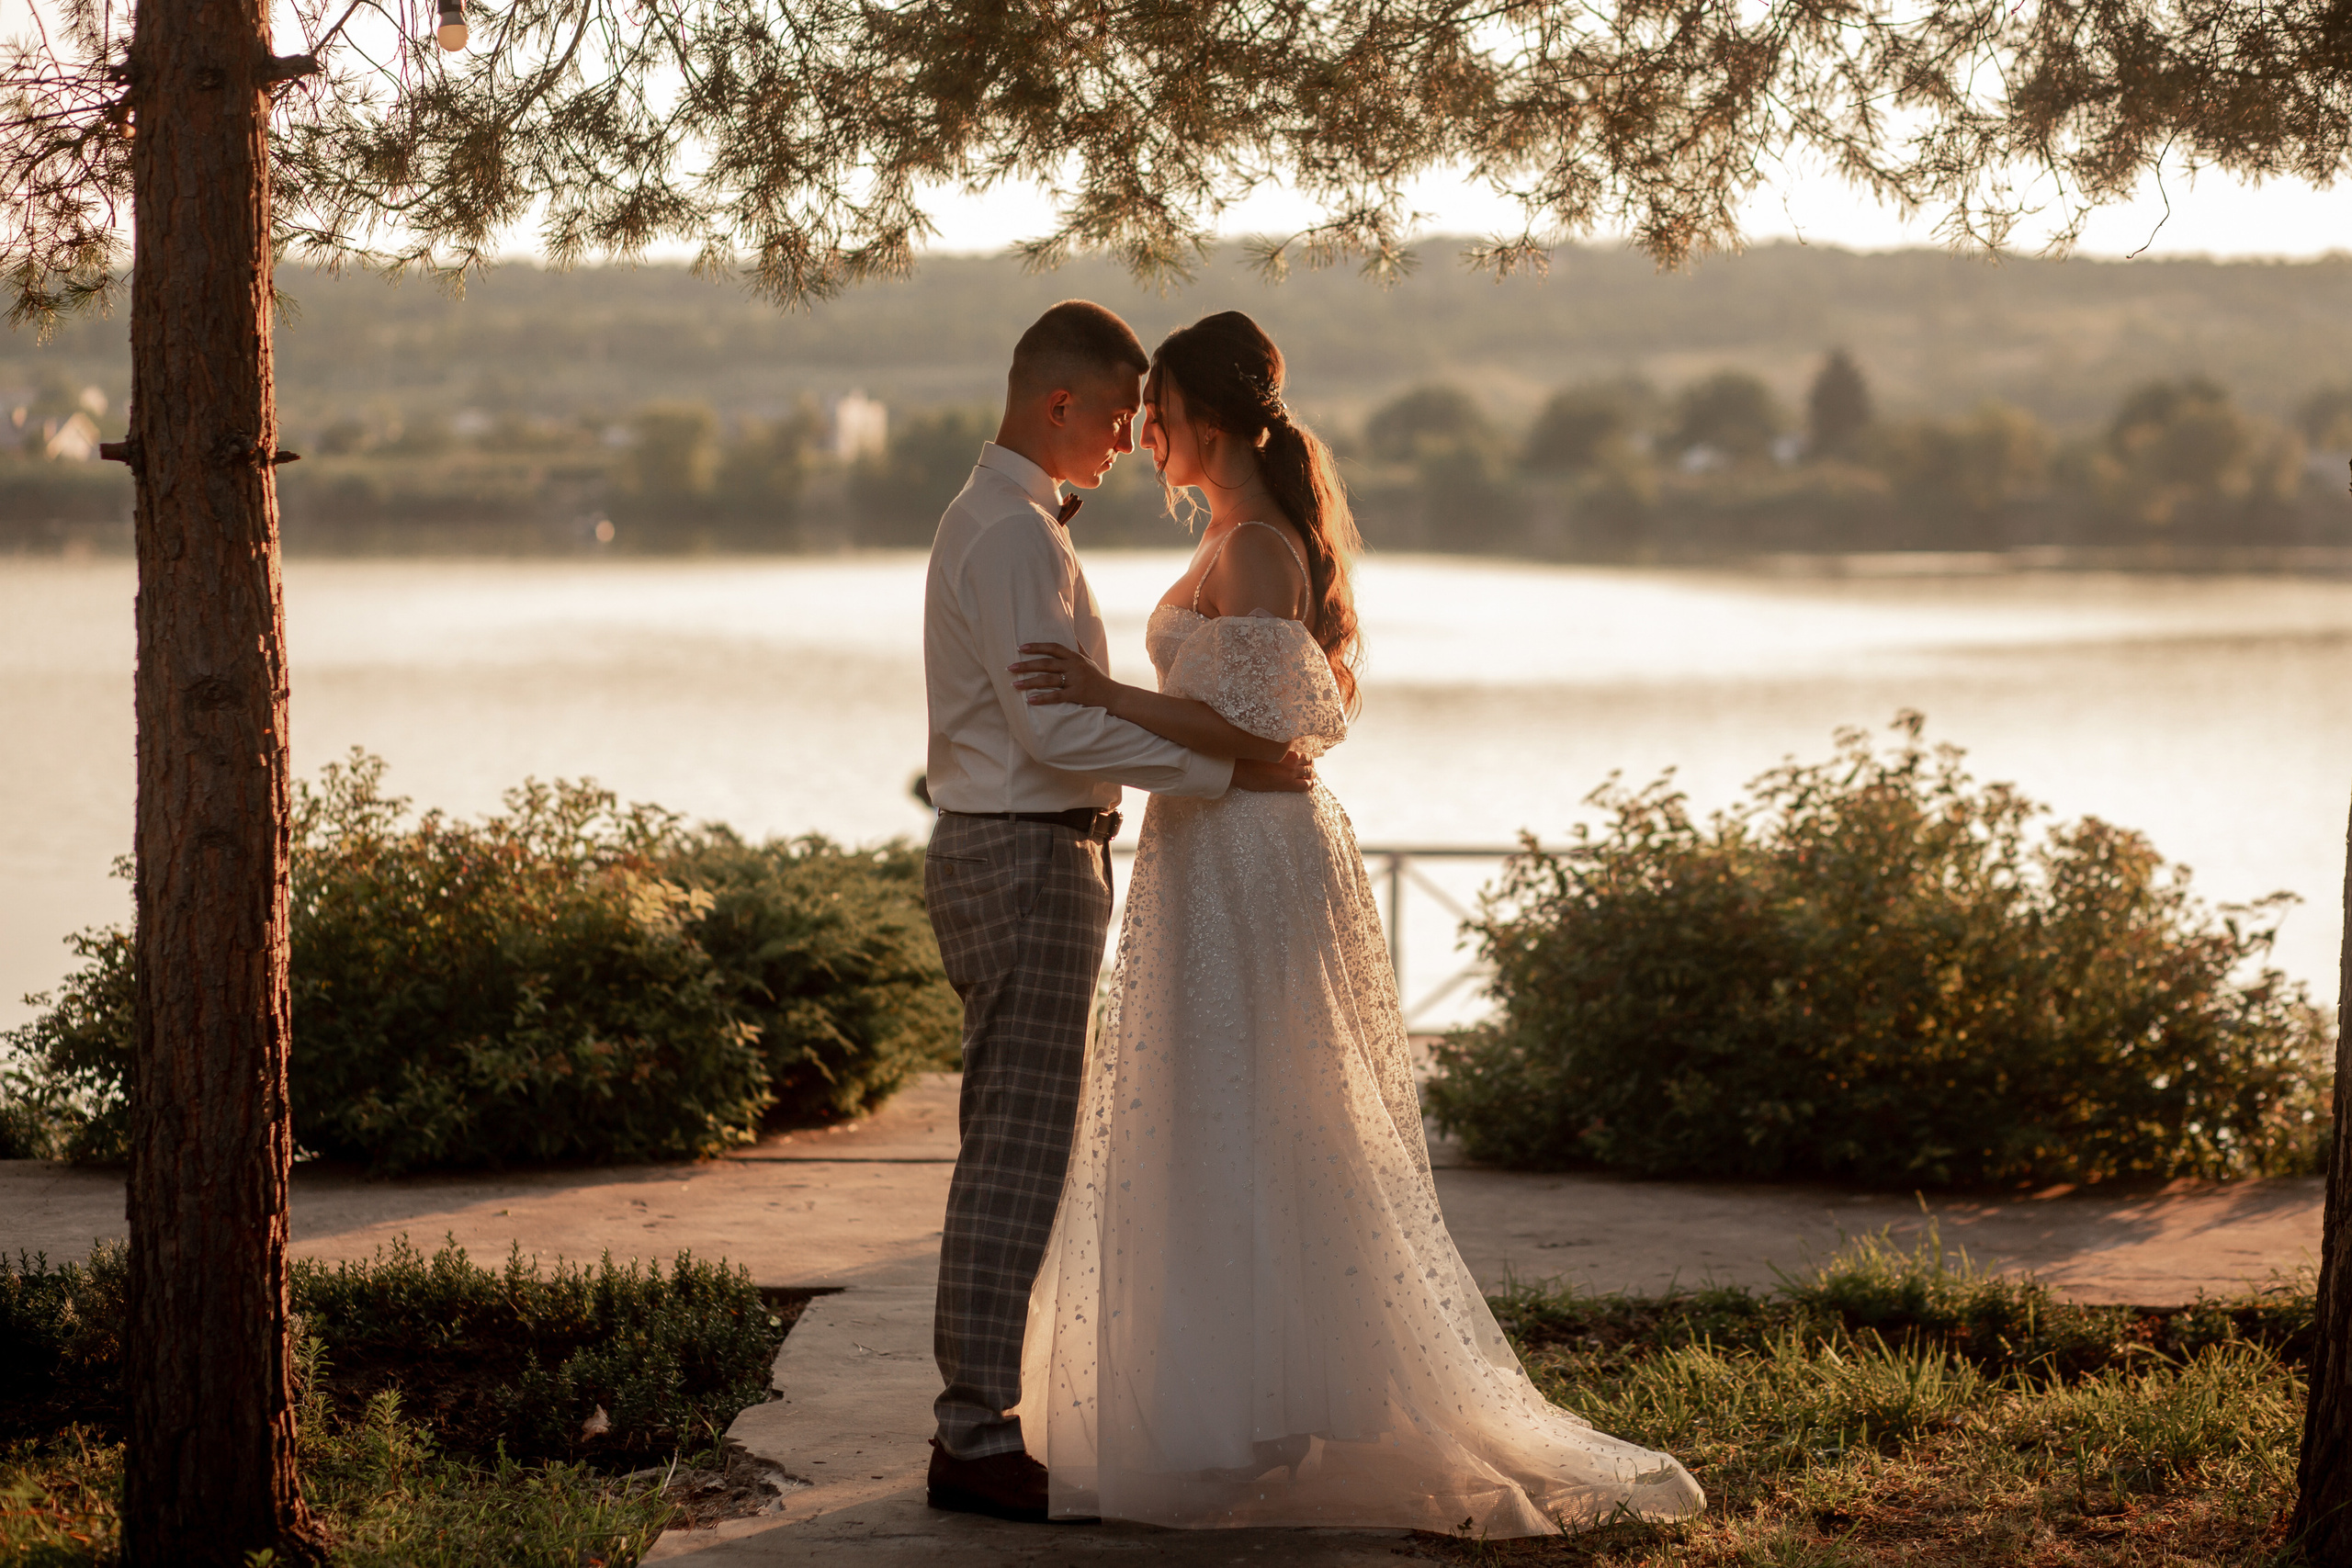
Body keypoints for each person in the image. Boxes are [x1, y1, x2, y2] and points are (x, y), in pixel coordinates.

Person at [1004, 310, 1707, 1535]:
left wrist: (1109, 693)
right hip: (1214, 843)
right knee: (1213, 1117)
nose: (1144, 435)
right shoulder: (1234, 534)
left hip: (1253, 856)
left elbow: (1278, 736)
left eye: (1157, 414)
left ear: (1205, 424)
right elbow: (1255, 724)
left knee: (1268, 1112)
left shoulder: (1260, 548)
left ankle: (1269, 1415)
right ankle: (1235, 1415)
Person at [921, 299, 1315, 1526]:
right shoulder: (1012, 539)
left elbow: (1077, 711)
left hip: (1041, 852)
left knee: (1020, 1143)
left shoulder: (1019, 526)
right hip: (1026, 857)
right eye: (1110, 414)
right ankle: (974, 1437)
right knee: (1017, 1155)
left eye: (1148, 417)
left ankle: (980, 1421)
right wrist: (1231, 772)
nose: (1128, 439)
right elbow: (1056, 726)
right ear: (1056, 404)